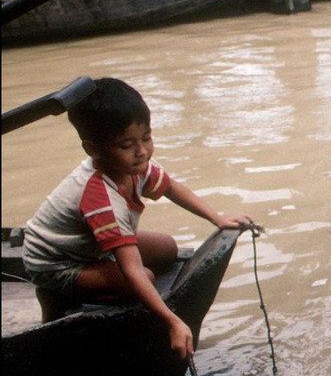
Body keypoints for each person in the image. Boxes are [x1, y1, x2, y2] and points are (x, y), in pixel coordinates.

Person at [22, 77, 256, 359]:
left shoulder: (135, 166)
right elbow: (133, 272)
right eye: (126, 145)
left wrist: (216, 218)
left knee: (167, 248)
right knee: (143, 276)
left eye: (146, 138)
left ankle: (94, 273)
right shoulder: (100, 197)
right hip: (57, 263)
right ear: (93, 149)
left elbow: (170, 187)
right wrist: (171, 319)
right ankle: (56, 294)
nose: (141, 151)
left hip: (85, 244)